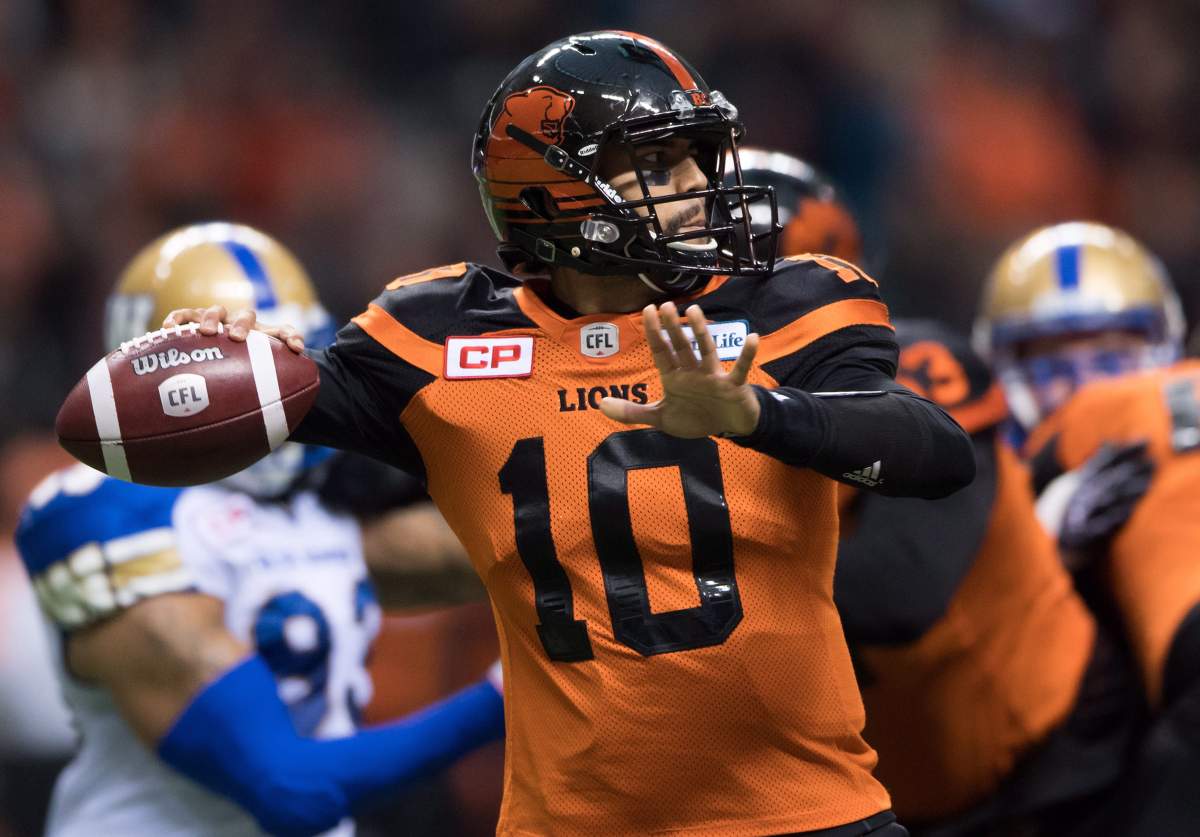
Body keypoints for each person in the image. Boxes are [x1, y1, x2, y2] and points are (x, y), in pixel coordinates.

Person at [159, 31, 974, 837]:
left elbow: (934, 452)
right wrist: (213, 355)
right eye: (659, 165)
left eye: (697, 155)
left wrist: (755, 414)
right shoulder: (435, 341)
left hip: (805, 815)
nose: (697, 184)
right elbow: (237, 424)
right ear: (553, 198)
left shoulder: (788, 309)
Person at [18, 222, 504, 837]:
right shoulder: (100, 512)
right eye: (234, 362)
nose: (262, 386)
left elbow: (523, 542)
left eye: (279, 354)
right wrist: (504, 698)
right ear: (152, 372)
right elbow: (290, 787)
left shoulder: (321, 496)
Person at [736, 154, 1144, 835]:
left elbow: (905, 590)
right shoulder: (643, 405)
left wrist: (702, 578)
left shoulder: (923, 368)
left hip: (1055, 762)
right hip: (900, 796)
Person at [977, 220, 1200, 836]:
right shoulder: (979, 485)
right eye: (1052, 366)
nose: (1084, 387)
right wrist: (1046, 543)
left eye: (1111, 358)